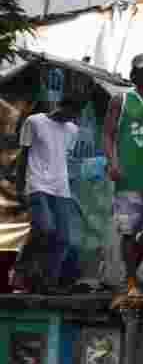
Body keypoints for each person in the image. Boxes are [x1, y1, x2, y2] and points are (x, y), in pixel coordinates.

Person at [103, 53, 143, 305]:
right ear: (134, 74)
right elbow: (108, 134)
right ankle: (130, 283)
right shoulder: (122, 99)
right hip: (128, 176)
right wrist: (112, 161)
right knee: (128, 231)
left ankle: (128, 278)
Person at [16, 95, 85, 295]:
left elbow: (63, 158)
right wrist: (20, 187)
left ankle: (48, 282)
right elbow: (23, 156)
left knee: (63, 238)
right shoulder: (34, 121)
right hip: (37, 184)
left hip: (61, 188)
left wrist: (73, 194)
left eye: (74, 116)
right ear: (60, 106)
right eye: (69, 114)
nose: (70, 119)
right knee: (45, 228)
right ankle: (23, 267)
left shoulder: (72, 129)